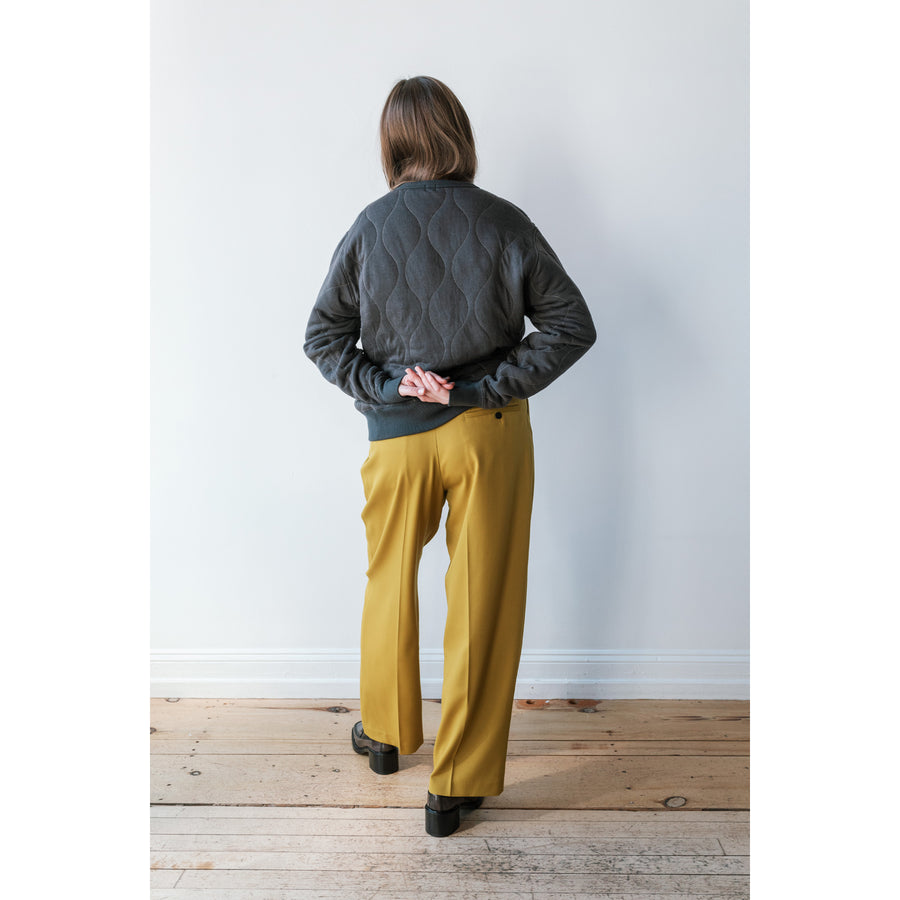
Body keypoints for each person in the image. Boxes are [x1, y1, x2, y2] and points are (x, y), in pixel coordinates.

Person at [304, 75, 596, 837]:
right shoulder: (503, 221)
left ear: (392, 145)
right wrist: (482, 386)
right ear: (459, 135)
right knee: (482, 598)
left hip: (395, 439)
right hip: (486, 435)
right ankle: (456, 787)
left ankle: (386, 735)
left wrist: (390, 383)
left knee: (388, 579)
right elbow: (571, 325)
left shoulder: (370, 227)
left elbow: (322, 338)